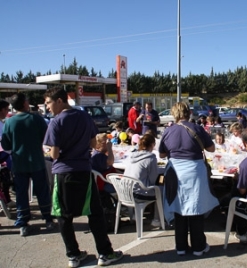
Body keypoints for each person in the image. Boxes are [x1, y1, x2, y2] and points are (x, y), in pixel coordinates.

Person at [42, 88, 123, 267]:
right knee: (94, 213)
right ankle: (105, 252)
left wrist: (46, 150)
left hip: (63, 172)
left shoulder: (55, 122)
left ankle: (73, 255)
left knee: (63, 215)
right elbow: (93, 143)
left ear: (60, 101)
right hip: (83, 171)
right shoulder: (84, 116)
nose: (46, 107)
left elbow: (54, 154)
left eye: (48, 102)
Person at [159, 102, 218, 256]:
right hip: (194, 171)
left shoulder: (168, 131)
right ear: (188, 113)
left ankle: (181, 247)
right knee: (196, 208)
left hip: (175, 173)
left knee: (179, 209)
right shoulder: (197, 128)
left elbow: (162, 154)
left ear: (174, 113)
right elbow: (211, 148)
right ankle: (198, 247)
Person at [1, 93, 54, 237]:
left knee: (21, 193)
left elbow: (5, 144)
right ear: (24, 103)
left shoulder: (9, 122)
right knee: (42, 190)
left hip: (19, 163)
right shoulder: (36, 119)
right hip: (37, 161)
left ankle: (23, 222)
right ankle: (48, 218)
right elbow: (47, 138)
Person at [123, 134, 161, 227]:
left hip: (124, 192)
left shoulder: (132, 156)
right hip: (139, 194)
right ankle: (157, 219)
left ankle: (136, 214)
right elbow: (153, 180)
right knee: (160, 187)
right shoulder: (151, 158)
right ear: (152, 144)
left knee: (149, 185)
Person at [0, 99, 14, 208]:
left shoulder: (2, 123)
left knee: (6, 176)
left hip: (4, 155)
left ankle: (6, 199)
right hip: (3, 155)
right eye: (6, 109)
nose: (7, 112)